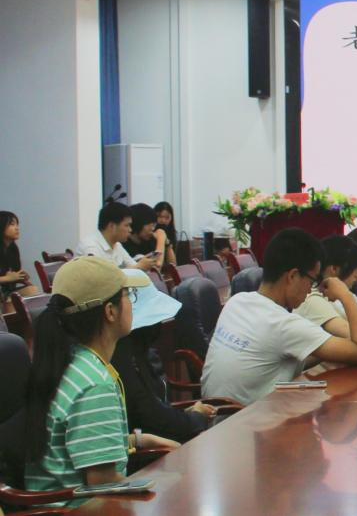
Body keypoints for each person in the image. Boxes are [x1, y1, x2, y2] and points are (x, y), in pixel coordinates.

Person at [23, 257, 179, 500]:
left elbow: (81, 442)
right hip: (78, 509)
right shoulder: (94, 385)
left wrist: (139, 440)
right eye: (128, 296)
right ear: (110, 311)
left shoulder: (73, 361)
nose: (131, 304)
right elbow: (103, 484)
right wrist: (168, 485)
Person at [200, 228, 357, 405]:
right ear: (293, 276)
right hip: (248, 420)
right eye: (312, 280)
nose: (311, 289)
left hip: (211, 416)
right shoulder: (283, 324)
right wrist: (344, 294)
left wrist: (327, 349)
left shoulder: (237, 301)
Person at [111, 269, 218, 443]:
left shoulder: (135, 351)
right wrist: (194, 418)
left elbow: (155, 412)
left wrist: (186, 415)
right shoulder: (124, 359)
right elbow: (149, 416)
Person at [77, 202, 158, 272]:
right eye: (127, 225)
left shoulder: (117, 245)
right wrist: (139, 266)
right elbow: (102, 278)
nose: (130, 230)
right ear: (112, 226)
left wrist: (142, 263)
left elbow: (132, 265)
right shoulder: (90, 246)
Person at [0, 211, 38, 300]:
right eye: (12, 224)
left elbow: (12, 274)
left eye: (17, 224)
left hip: (6, 291)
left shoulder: (13, 248)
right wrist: (7, 278)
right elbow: (8, 277)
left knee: (32, 290)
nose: (17, 228)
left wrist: (20, 277)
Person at [124, 204, 173, 269]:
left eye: (154, 225)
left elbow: (173, 265)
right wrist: (161, 239)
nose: (153, 229)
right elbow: (156, 267)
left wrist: (167, 244)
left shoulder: (148, 240)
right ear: (139, 223)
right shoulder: (124, 244)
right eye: (151, 224)